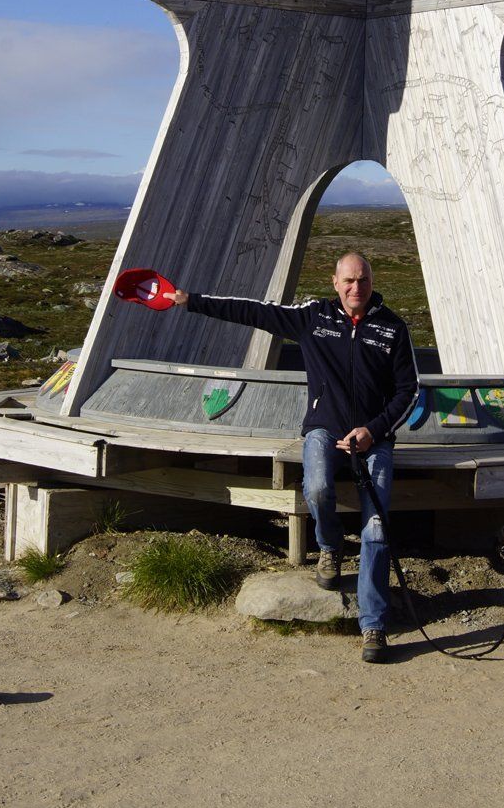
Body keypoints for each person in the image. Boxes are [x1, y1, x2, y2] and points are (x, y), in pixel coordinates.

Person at [165, 253, 418, 662]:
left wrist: (373, 430)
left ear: (372, 281)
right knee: (316, 487)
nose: (356, 288)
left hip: (374, 439)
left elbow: (409, 390)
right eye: (349, 280)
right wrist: (190, 300)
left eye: (363, 280)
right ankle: (330, 546)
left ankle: (373, 626)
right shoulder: (313, 318)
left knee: (375, 530)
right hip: (324, 429)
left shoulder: (392, 327)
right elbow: (253, 311)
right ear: (335, 282)